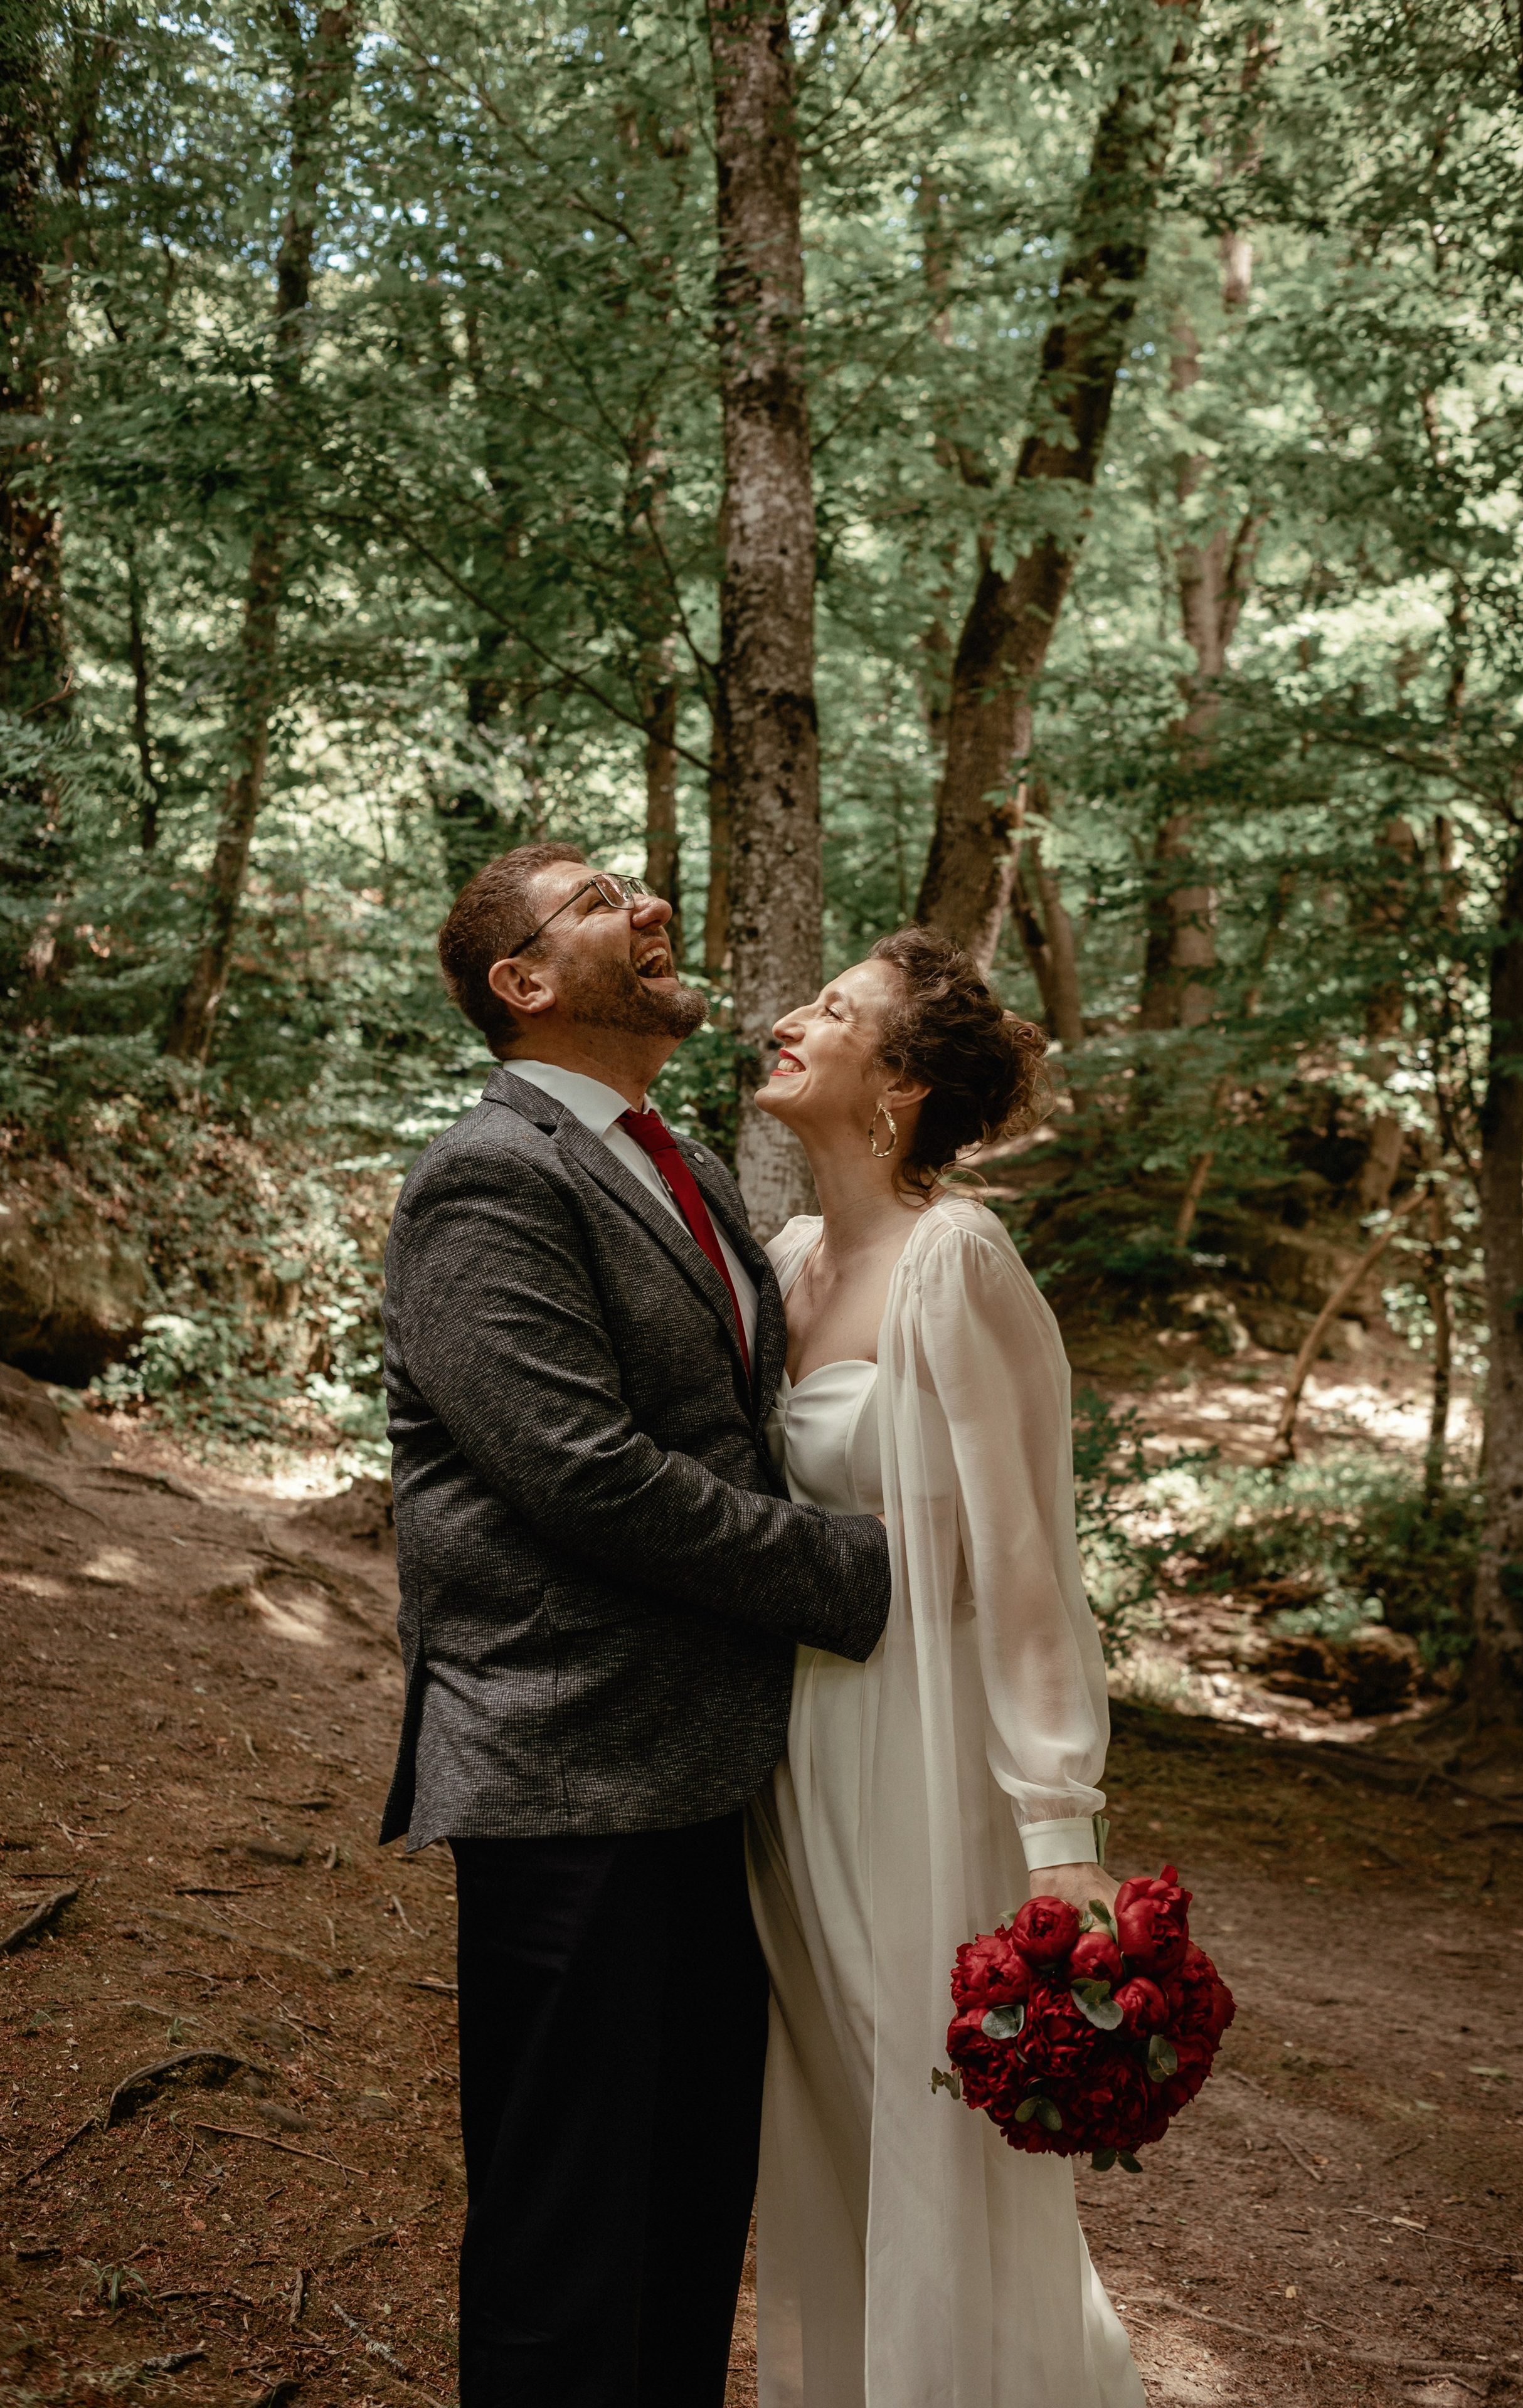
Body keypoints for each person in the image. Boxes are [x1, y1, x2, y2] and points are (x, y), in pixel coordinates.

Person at [378, 841, 891, 2408]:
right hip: (569, 1772)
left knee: (679, 2233)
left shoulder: (688, 1168)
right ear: (520, 985)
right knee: (568, 2250)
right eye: (601, 900)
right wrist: (855, 1574)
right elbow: (581, 1474)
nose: (650, 903)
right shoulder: (488, 1175)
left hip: (710, 1781)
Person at [746, 924, 1146, 2408]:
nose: (788, 1019)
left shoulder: (956, 1261)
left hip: (915, 1758)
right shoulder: (779, 1261)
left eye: (831, 1011)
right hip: (785, 1755)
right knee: (841, 2127)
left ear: (898, 1082)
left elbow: (1024, 1569)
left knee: (937, 2140)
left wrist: (1062, 1838)